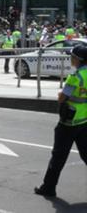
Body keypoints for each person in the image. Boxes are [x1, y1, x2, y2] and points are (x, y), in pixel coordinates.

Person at [35, 45, 87, 197]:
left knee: (58, 156)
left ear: (78, 59)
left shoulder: (76, 76)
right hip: (84, 121)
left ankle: (48, 187)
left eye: (73, 57)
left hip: (68, 123)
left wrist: (60, 94)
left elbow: (62, 97)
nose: (71, 59)